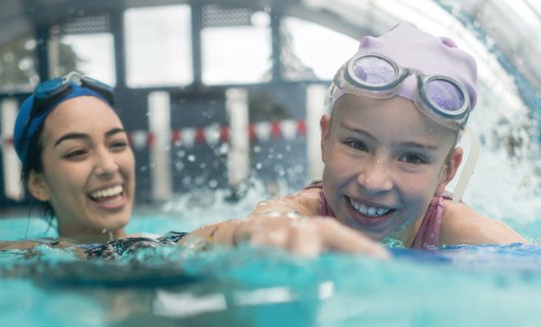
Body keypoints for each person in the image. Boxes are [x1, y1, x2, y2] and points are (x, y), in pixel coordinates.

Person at [182, 22, 527, 257]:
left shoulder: (459, 231)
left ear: (446, 173)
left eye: (412, 158)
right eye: (357, 145)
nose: (373, 180)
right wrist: (259, 233)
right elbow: (190, 244)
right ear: (326, 139)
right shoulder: (306, 213)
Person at [0, 72, 183, 259]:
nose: (108, 166)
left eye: (117, 144)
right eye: (77, 152)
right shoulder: (13, 258)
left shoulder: (172, 246)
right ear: (38, 184)